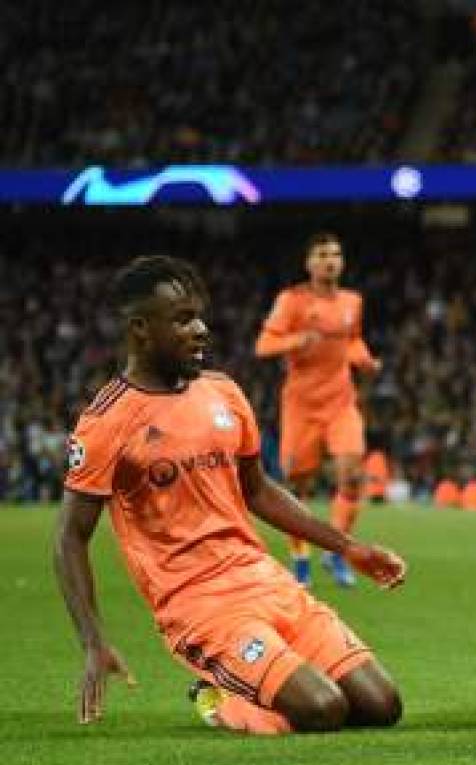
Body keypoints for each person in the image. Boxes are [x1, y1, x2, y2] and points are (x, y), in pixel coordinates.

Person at [55, 256, 407, 735]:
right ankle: (216, 696)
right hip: (197, 604)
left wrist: (348, 547)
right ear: (140, 329)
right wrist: (93, 641)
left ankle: (263, 681)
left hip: (265, 580)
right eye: (181, 319)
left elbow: (258, 490)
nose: (200, 329)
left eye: (198, 316)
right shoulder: (108, 420)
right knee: (322, 711)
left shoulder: (224, 392)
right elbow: (69, 539)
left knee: (381, 705)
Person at [255, 232, 381, 587]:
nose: (331, 261)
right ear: (309, 263)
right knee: (297, 486)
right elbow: (264, 344)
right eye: (323, 254)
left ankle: (337, 552)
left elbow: (352, 340)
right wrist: (297, 340)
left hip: (341, 401)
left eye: (336, 254)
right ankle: (301, 561)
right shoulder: (292, 300)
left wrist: (364, 359)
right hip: (301, 406)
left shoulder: (352, 301)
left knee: (353, 475)